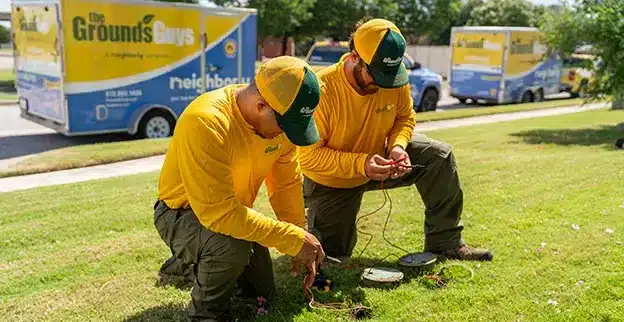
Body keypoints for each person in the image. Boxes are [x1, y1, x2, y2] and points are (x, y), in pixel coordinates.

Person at [298, 18, 493, 262]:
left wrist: (398, 146)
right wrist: (362, 164)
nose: (383, 83)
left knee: (438, 156)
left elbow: (404, 117)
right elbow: (308, 157)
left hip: (380, 159)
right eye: (376, 74)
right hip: (333, 180)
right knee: (333, 257)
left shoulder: (392, 78)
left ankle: (446, 243)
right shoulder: (322, 91)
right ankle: (312, 224)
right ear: (355, 56)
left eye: (389, 74)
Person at [154, 56, 325, 321]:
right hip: (180, 214)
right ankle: (207, 314)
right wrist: (290, 239)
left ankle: (189, 265)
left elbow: (285, 183)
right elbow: (219, 214)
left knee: (262, 289)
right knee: (231, 249)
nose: (287, 134)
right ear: (260, 106)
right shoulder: (206, 122)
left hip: (231, 211)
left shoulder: (279, 126)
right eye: (285, 125)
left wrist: (298, 234)